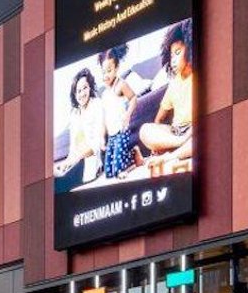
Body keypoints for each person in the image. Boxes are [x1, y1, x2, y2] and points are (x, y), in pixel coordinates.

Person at [139, 21, 194, 171]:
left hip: (194, 128)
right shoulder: (173, 83)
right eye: (171, 55)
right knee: (145, 130)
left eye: (177, 53)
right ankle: (179, 145)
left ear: (190, 48)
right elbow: (159, 119)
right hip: (176, 133)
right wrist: (160, 140)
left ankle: (170, 156)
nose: (173, 60)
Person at [54, 68, 105, 190]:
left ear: (90, 87)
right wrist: (67, 163)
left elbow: (97, 143)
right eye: (78, 91)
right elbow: (73, 148)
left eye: (85, 88)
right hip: (76, 162)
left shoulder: (96, 104)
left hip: (91, 160)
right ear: (74, 94)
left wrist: (75, 159)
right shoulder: (74, 114)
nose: (82, 94)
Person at [97, 45, 138, 177]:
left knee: (118, 171)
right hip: (112, 135)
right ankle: (133, 153)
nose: (106, 75)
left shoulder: (121, 85)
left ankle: (133, 161)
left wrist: (127, 115)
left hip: (121, 131)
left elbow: (133, 98)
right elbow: (103, 118)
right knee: (108, 173)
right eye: (103, 72)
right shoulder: (104, 94)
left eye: (109, 70)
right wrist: (102, 137)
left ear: (116, 68)